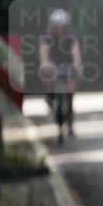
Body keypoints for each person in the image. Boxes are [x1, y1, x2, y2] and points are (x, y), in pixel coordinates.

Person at [39, 9, 82, 137]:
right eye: (56, 26)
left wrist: (77, 65)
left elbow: (76, 52)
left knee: (70, 94)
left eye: (61, 26)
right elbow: (44, 52)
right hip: (54, 63)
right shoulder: (47, 36)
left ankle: (70, 123)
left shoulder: (71, 36)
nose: (59, 29)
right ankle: (50, 96)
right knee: (47, 73)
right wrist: (45, 63)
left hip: (67, 63)